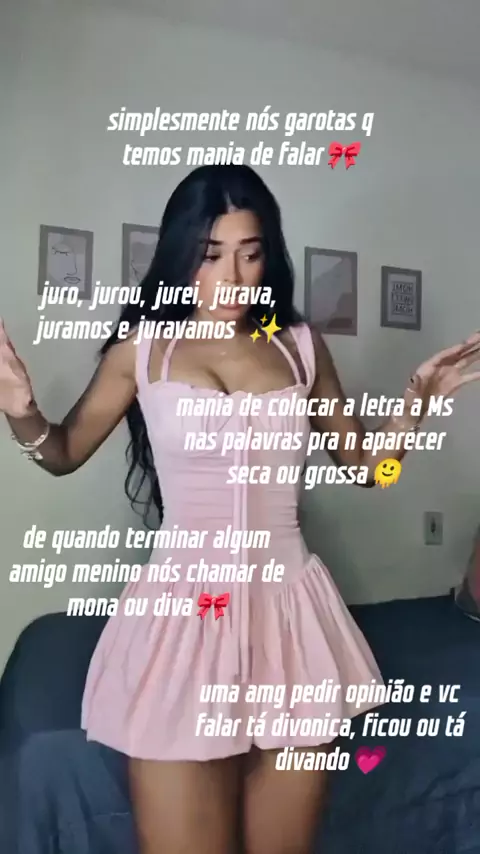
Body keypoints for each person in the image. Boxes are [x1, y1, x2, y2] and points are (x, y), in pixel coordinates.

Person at [1, 164, 479, 854]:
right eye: (211, 255)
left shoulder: (298, 346)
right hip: (185, 617)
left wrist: (416, 407)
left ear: (269, 256)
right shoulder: (146, 350)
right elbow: (62, 452)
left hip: (290, 619)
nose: (233, 278)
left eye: (250, 254)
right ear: (181, 256)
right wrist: (22, 415)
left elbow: (370, 470)